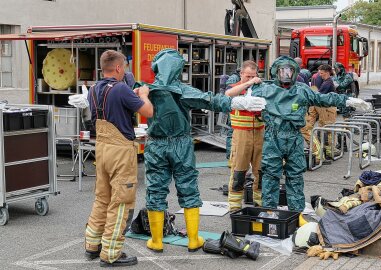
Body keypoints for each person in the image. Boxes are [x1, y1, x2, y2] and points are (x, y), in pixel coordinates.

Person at [143, 49, 265, 253]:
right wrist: (237, 102)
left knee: (155, 190)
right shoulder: (182, 90)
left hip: (156, 144)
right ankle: (193, 239)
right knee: (188, 187)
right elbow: (211, 100)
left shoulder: (146, 89)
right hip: (181, 144)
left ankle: (156, 241)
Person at [229, 56, 370, 211]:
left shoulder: (301, 90)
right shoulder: (265, 89)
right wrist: (247, 89)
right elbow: (231, 96)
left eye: (289, 71)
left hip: (294, 137)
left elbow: (322, 98)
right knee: (270, 176)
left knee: (295, 176)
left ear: (294, 72)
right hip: (272, 137)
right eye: (282, 71)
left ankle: (296, 212)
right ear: (276, 72)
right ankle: (269, 212)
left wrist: (347, 100)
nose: (286, 75)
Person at [84, 50, 154, 267]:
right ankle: (111, 253)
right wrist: (143, 94)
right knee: (121, 201)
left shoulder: (94, 89)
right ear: (117, 68)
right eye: (124, 67)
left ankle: (92, 245)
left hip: (102, 148)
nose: (125, 71)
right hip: (120, 150)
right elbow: (148, 112)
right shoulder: (122, 88)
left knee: (102, 198)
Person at [225, 60, 264, 211]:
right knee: (239, 171)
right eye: (247, 76)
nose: (250, 79)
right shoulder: (235, 87)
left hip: (260, 133)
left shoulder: (260, 89)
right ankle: (234, 207)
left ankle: (259, 203)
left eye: (253, 76)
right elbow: (228, 94)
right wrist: (248, 84)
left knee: (260, 171)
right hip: (241, 135)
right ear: (241, 74)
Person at [301, 64, 340, 160]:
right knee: (320, 128)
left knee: (327, 129)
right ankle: (323, 151)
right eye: (319, 73)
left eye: (321, 73)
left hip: (327, 108)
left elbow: (319, 96)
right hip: (322, 107)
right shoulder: (325, 82)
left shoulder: (328, 83)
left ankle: (328, 151)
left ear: (327, 73)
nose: (320, 75)